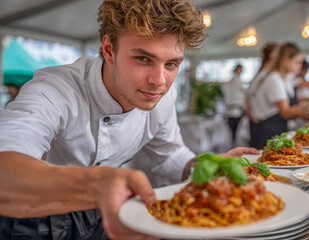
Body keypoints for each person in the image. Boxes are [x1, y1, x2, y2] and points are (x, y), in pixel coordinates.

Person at [0, 0, 259, 239]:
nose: (159, 82)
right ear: (109, 50)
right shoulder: (55, 90)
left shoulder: (164, 96)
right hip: (30, 217)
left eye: (171, 64)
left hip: (101, 213)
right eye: (143, 59)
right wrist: (95, 184)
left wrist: (206, 165)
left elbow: (169, 154)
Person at [247, 42, 309, 149]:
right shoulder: (274, 79)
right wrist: (307, 106)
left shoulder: (283, 77)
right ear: (286, 60)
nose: (300, 66)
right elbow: (285, 112)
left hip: (273, 127)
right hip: (268, 130)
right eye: (297, 62)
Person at [221, 64, 245, 143]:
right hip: (235, 110)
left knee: (233, 131)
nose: (240, 71)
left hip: (232, 110)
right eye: (239, 69)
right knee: (234, 131)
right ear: (235, 69)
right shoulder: (236, 81)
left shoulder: (231, 82)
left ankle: (232, 143)